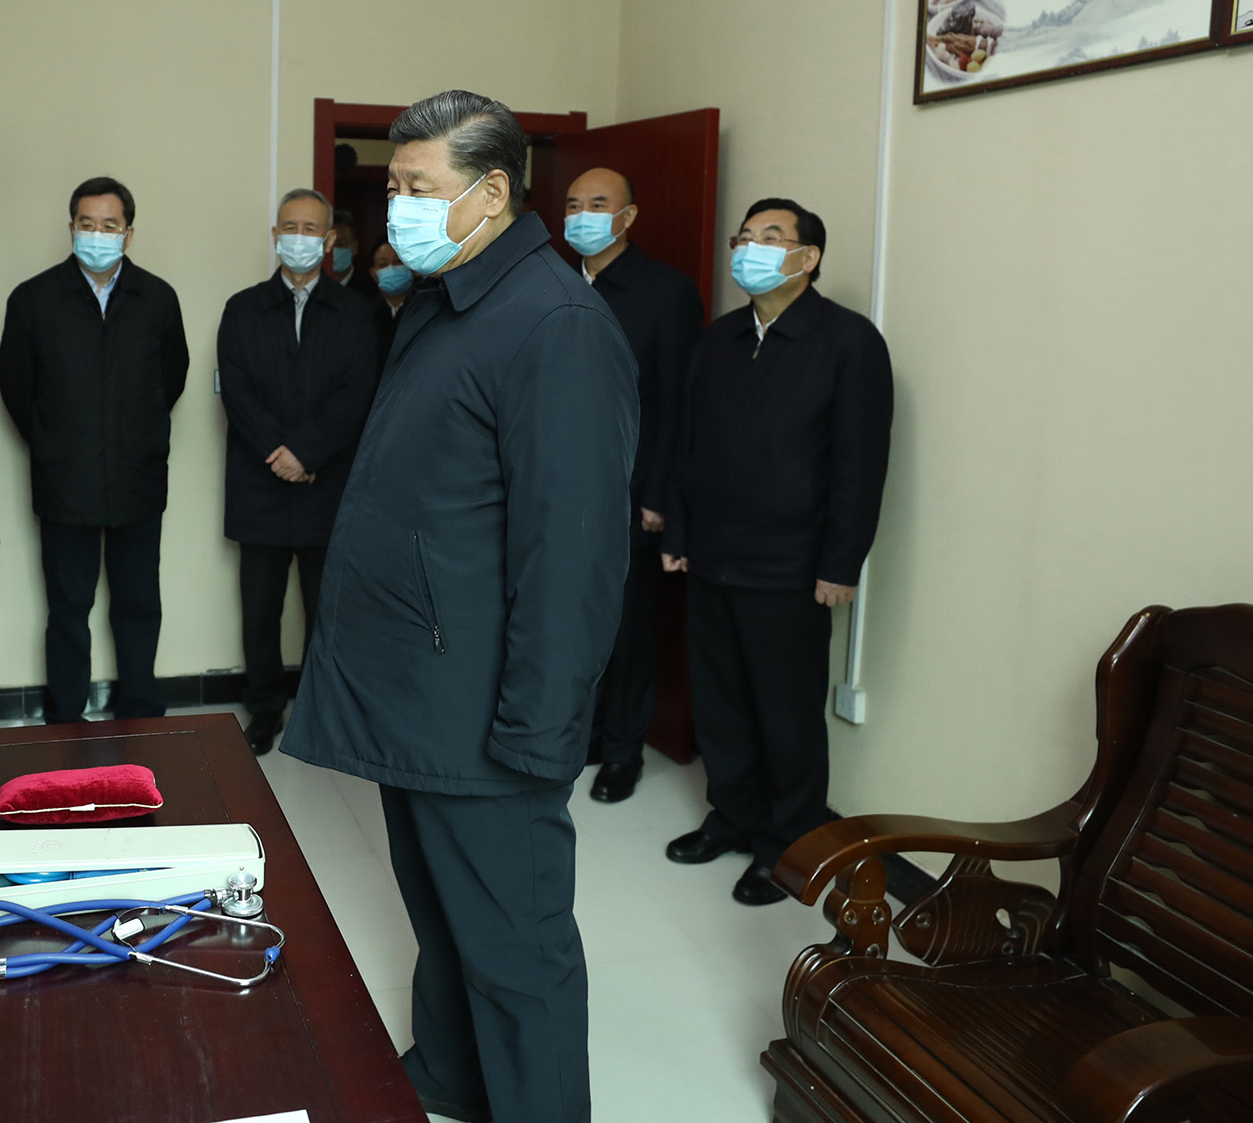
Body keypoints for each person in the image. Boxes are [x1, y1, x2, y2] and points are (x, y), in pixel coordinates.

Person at [284, 91, 637, 1123]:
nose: (397, 205)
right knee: (442, 916)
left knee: (516, 946)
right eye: (392, 185)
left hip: (486, 708)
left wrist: (539, 730)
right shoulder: (445, 297)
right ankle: (447, 1072)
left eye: (417, 186)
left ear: (490, 192)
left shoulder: (556, 325)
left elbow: (572, 555)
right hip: (420, 691)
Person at [660, 198, 893, 907]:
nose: (749, 248)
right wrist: (678, 534)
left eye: (770, 237)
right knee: (722, 703)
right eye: (744, 237)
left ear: (808, 257)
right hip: (712, 556)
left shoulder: (847, 341)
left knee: (786, 714)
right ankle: (731, 816)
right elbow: (685, 442)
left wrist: (840, 563)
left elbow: (859, 463)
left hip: (791, 565)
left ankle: (787, 843)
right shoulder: (720, 339)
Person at [0, 177, 189, 722]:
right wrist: (55, 439)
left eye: (110, 225)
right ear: (71, 227)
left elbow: (171, 378)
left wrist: (136, 435)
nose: (97, 234)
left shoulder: (157, 298)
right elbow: (15, 382)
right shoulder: (33, 298)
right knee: (67, 608)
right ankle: (65, 717)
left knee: (138, 604)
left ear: (128, 232)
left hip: (137, 478)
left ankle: (141, 712)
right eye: (87, 224)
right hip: (65, 480)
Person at [218, 188, 380, 755]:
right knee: (259, 612)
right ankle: (264, 708)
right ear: (274, 236)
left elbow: (358, 393)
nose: (299, 238)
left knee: (325, 612)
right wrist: (281, 454)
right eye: (290, 227)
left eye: (311, 229)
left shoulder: (357, 313)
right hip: (259, 485)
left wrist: (307, 454)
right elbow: (237, 391)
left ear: (329, 239)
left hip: (326, 487)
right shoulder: (242, 309)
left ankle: (318, 713)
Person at [561, 167, 705, 805]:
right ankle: (583, 735)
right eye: (573, 204)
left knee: (628, 630)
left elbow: (678, 404)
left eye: (598, 204)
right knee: (567, 623)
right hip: (556, 492)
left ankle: (623, 750)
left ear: (628, 216)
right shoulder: (554, 281)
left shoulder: (666, 292)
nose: (582, 215)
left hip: (629, 493)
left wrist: (659, 496)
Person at [366, 240, 413, 371]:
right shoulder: (365, 313)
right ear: (374, 274)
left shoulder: (425, 308)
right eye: (383, 264)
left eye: (398, 262)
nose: (391, 268)